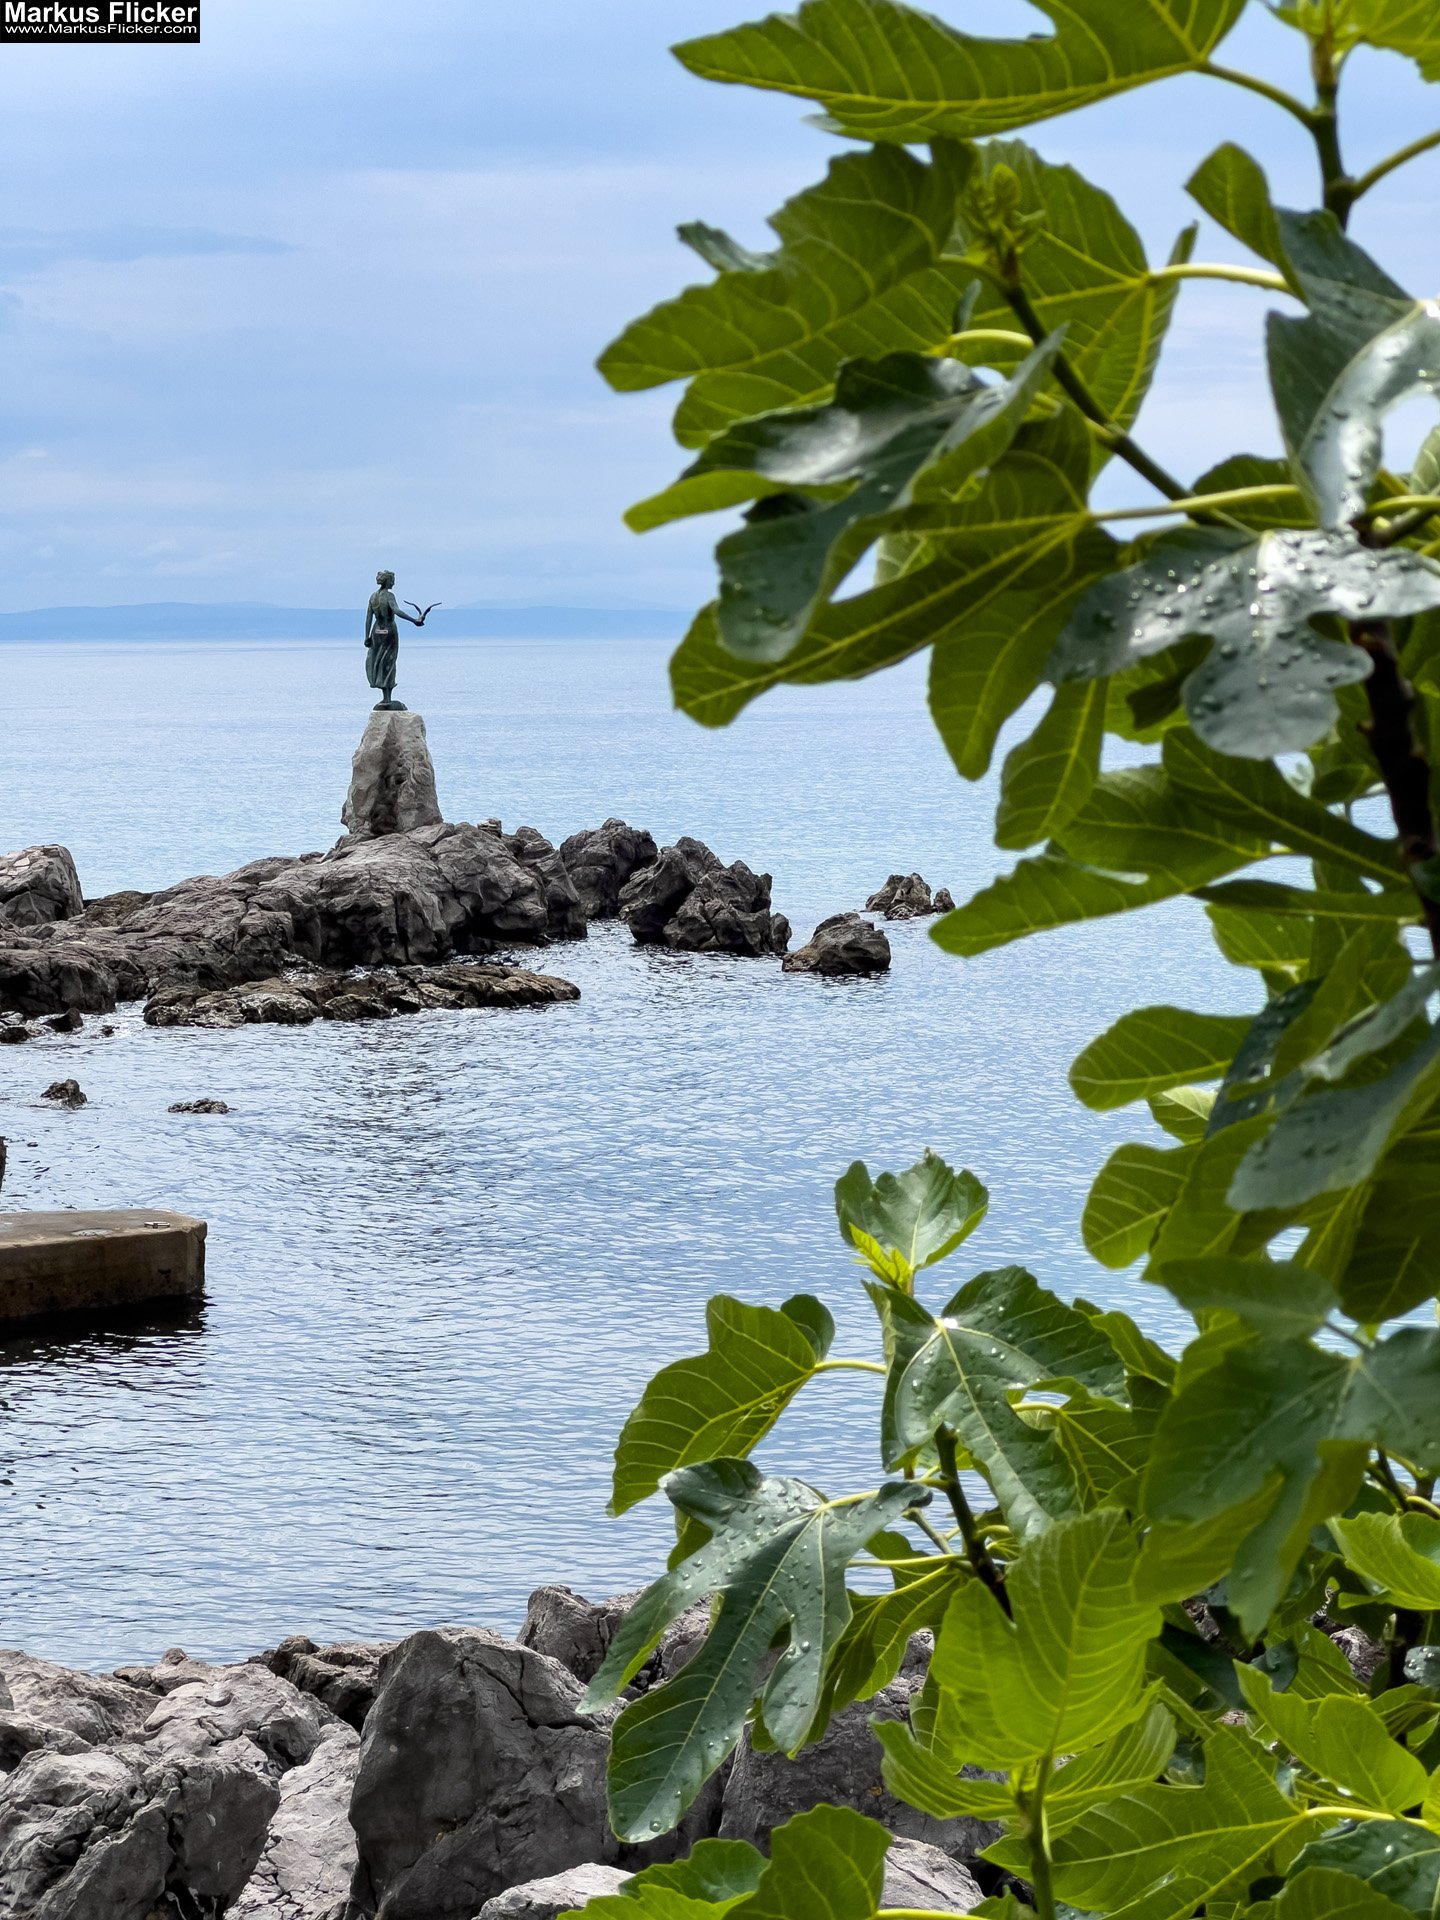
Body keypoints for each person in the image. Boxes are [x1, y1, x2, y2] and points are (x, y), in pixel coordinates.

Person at [364, 571, 435, 710]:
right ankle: (387, 698)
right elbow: (396, 610)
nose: (394, 583)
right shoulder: (389, 596)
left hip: (376, 632)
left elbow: (368, 618)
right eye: (392, 580)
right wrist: (414, 620)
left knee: (379, 661)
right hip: (389, 631)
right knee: (389, 662)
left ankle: (385, 697)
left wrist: (366, 636)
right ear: (387, 581)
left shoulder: (373, 597)